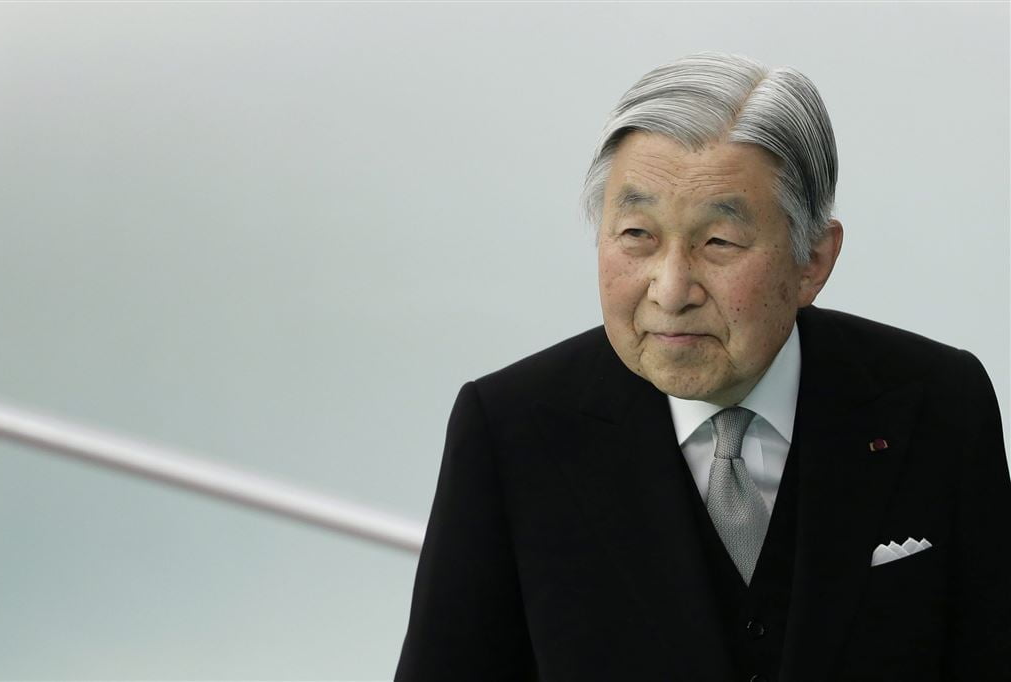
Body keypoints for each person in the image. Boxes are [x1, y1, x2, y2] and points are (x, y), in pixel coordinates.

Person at [394, 53, 1011, 682]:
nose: (670, 291)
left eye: (718, 242)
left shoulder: (940, 402)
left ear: (813, 261)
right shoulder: (509, 430)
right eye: (637, 234)